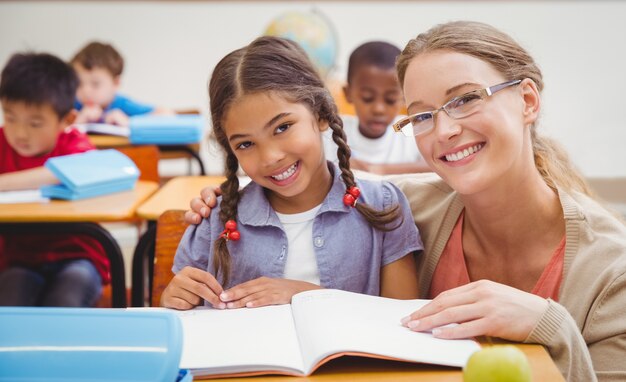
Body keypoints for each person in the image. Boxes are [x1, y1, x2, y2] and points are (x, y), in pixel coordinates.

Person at [186, 22, 626, 381]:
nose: (444, 130)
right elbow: (320, 188)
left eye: (466, 99)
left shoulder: (611, 272)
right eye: (421, 115)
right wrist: (222, 198)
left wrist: (550, 324)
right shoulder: (397, 207)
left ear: (528, 100)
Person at [161, 36, 422, 311]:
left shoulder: (383, 206)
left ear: (321, 114)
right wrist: (172, 299)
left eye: (283, 127)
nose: (270, 157)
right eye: (246, 144)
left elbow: (401, 319)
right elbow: (181, 315)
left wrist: (306, 295)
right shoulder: (215, 219)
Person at [0, 52, 110, 306]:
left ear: (67, 120)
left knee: (65, 301)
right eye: (10, 117)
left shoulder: (73, 143)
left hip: (78, 257)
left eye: (35, 123)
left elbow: (82, 169)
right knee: (9, 303)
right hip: (21, 260)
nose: (19, 132)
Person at [324, 41, 429, 174]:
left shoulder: (411, 129)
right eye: (367, 98)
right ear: (348, 93)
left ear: (404, 97)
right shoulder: (332, 132)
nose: (379, 109)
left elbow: (439, 165)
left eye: (390, 100)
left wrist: (377, 170)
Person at [70, 41, 171, 126]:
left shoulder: (122, 104)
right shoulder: (73, 105)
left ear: (116, 83)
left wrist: (128, 122)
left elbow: (166, 114)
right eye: (79, 83)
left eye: (95, 84)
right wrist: (79, 121)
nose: (86, 91)